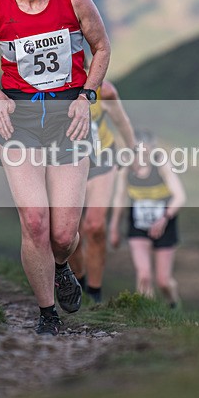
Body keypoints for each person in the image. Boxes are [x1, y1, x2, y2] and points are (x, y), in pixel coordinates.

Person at [0, 0, 111, 336]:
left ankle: (63, 266)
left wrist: (87, 96)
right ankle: (47, 314)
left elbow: (101, 48)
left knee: (64, 233)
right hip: (21, 118)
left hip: (70, 114)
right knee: (35, 222)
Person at [68, 79, 136, 303]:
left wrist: (133, 153)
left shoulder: (104, 91)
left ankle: (94, 295)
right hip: (66, 163)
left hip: (102, 159)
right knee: (69, 231)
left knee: (95, 226)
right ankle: (78, 283)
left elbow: (122, 122)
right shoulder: (51, 88)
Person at [109, 130, 186, 308]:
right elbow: (119, 198)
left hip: (165, 224)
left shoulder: (161, 165)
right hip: (138, 225)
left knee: (163, 281)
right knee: (144, 275)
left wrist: (165, 218)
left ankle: (173, 303)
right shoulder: (126, 168)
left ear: (152, 149)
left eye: (145, 152)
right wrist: (114, 228)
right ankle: (146, 313)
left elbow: (180, 196)